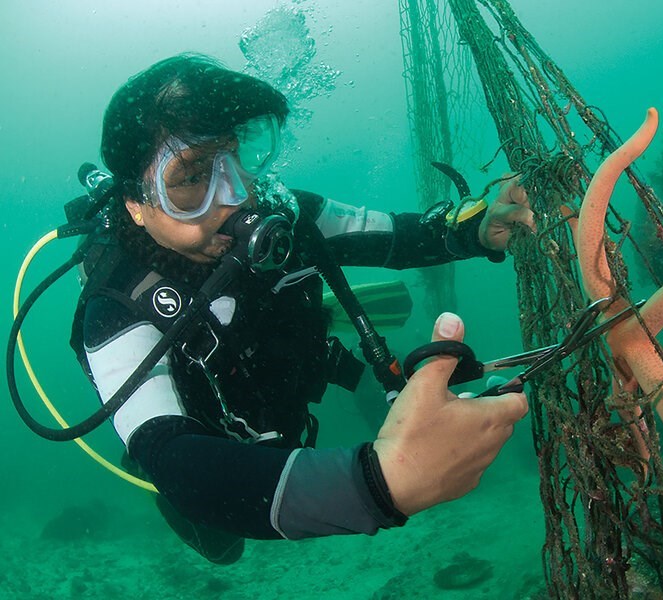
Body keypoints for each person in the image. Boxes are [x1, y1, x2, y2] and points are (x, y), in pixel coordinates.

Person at [73, 53, 534, 564]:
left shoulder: (284, 213)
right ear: (137, 204)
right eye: (190, 178)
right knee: (222, 549)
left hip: (299, 370)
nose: (234, 198)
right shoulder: (114, 308)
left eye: (234, 159)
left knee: (381, 378)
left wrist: (475, 228)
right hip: (215, 447)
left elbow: (396, 237)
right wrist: (380, 485)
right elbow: (172, 457)